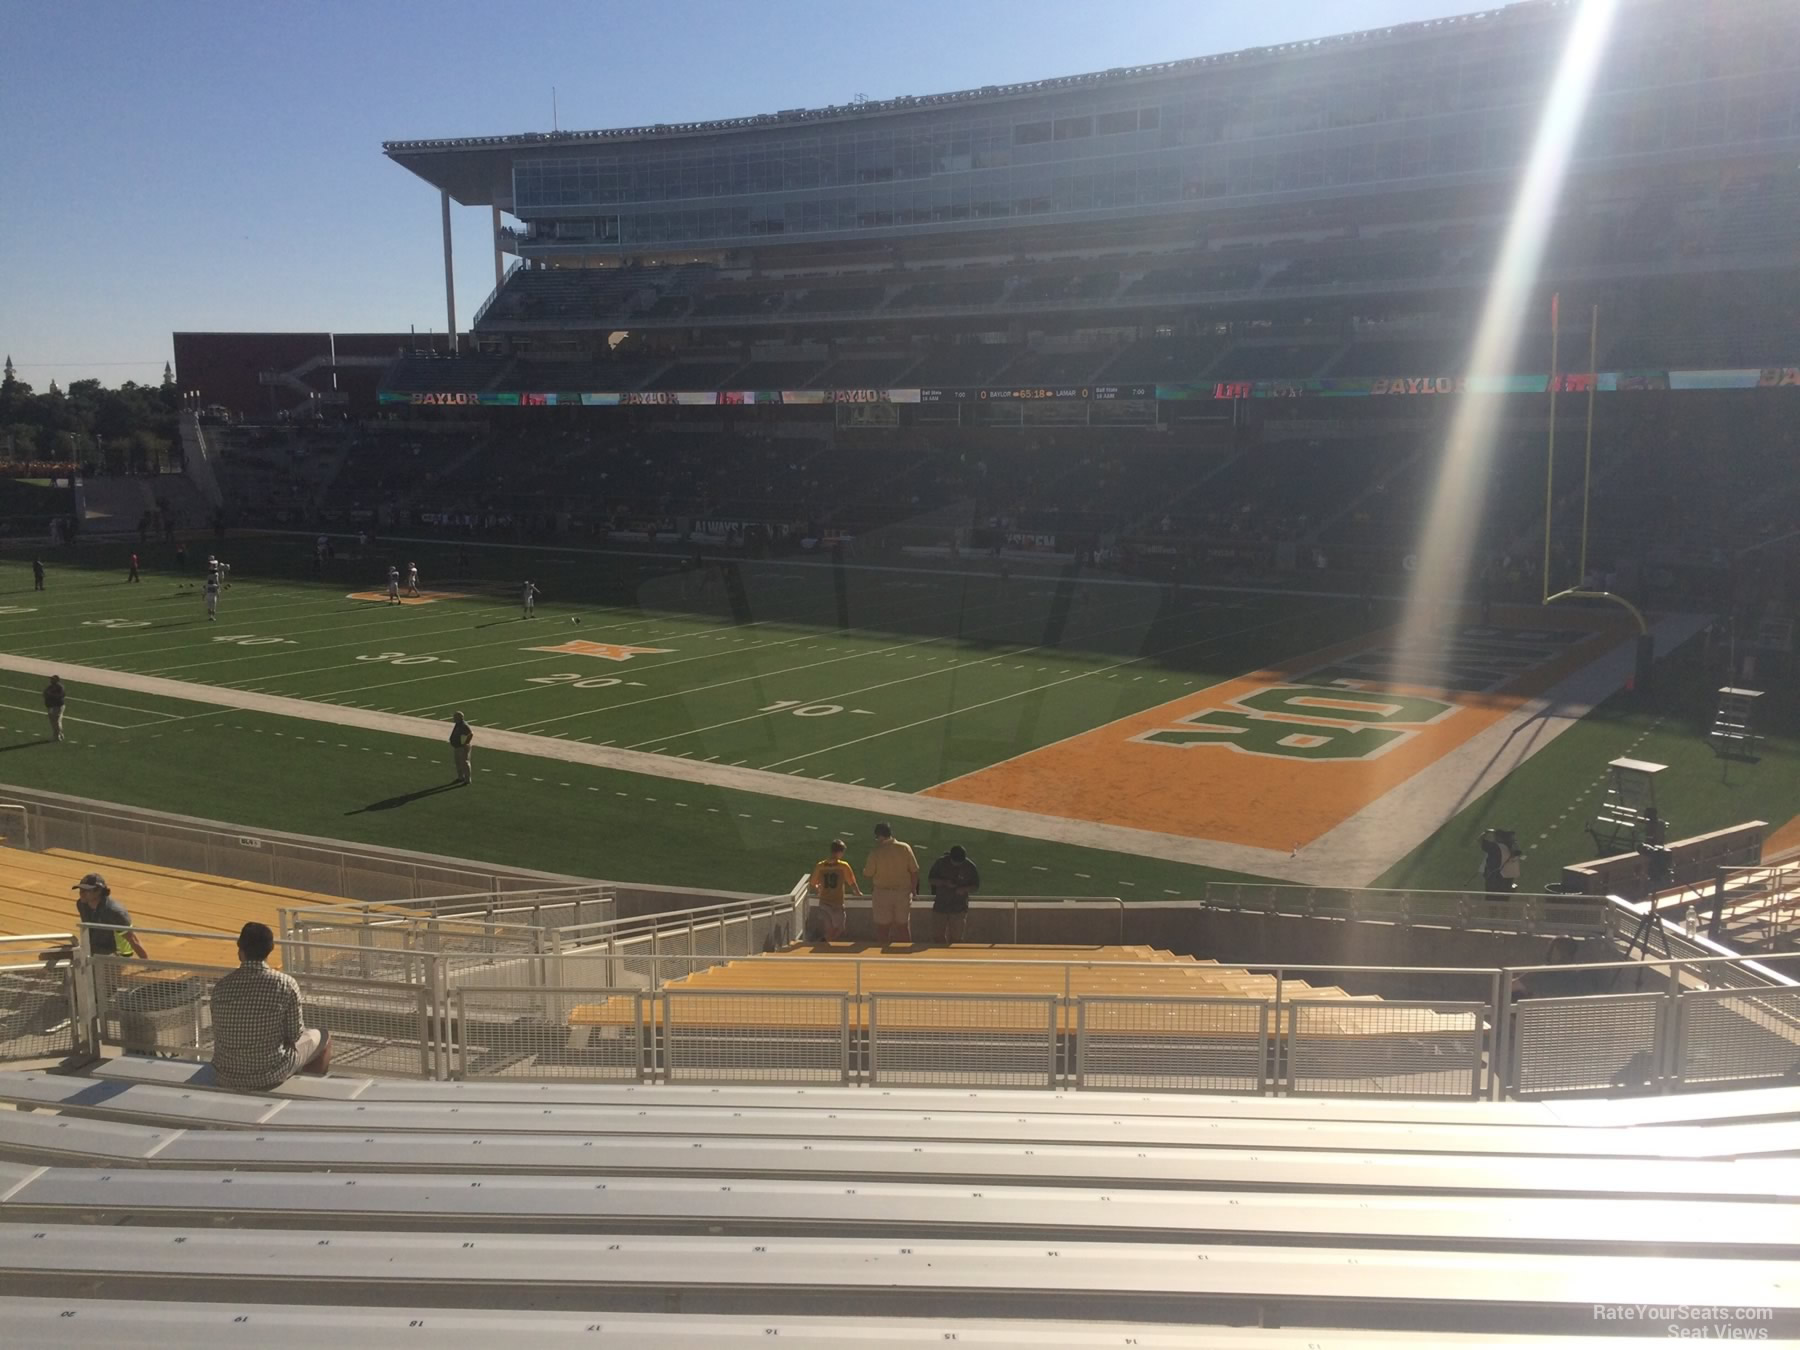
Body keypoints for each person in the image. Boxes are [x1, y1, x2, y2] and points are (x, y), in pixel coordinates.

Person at [209, 921, 329, 1092]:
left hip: (226, 1075)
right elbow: (295, 1034)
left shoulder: (221, 987)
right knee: (324, 1037)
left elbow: (218, 1030)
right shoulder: (285, 984)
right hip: (269, 1074)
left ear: (240, 950)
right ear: (270, 948)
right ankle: (309, 1092)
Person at [863, 822, 919, 945]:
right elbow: (914, 871)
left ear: (879, 836)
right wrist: (913, 889)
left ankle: (882, 959)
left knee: (882, 927)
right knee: (903, 926)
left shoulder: (876, 852)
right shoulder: (905, 848)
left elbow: (868, 873)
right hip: (902, 893)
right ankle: (904, 955)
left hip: (882, 893)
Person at [806, 839, 861, 942]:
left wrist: (818, 887)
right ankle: (823, 942)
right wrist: (857, 892)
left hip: (824, 901)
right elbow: (852, 882)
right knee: (840, 928)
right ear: (840, 852)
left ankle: (823, 943)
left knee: (829, 928)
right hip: (837, 902)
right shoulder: (843, 866)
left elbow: (813, 882)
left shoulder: (820, 865)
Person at [927, 844, 982, 945]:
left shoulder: (970, 867)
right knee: (937, 937)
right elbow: (931, 879)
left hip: (959, 907)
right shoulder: (940, 863)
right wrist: (944, 882)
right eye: (955, 862)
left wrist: (964, 889)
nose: (957, 864)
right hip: (941, 905)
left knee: (957, 939)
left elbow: (975, 886)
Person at [1479, 828, 1523, 894]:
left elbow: (1480, 840)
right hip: (1509, 879)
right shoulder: (1512, 848)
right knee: (1504, 901)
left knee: (1492, 900)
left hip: (1496, 879)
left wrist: (1485, 832)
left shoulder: (1496, 847)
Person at [449, 711, 474, 785]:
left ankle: (467, 779)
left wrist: (466, 743)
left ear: (459, 718)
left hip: (462, 747)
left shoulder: (463, 725)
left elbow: (471, 734)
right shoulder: (458, 724)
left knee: (465, 762)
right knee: (458, 762)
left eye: (455, 717)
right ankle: (460, 777)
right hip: (457, 746)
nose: (453, 718)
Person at [43, 674, 66, 743]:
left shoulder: (60, 687)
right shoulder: (50, 687)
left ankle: (57, 736)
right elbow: (44, 693)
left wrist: (51, 695)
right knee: (53, 722)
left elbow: (61, 696)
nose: (51, 680)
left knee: (57, 721)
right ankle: (60, 734)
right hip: (51, 706)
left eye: (52, 679)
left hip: (58, 706)